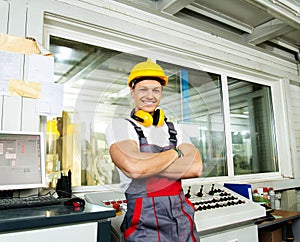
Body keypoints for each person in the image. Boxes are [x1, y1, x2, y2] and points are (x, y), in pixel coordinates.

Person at [105, 58, 202, 242]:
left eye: (156, 90)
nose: (150, 95)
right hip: (144, 222)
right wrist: (176, 153)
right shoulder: (120, 127)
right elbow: (134, 168)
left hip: (183, 219)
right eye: (143, 89)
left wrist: (147, 165)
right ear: (132, 91)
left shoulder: (176, 129)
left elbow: (195, 167)